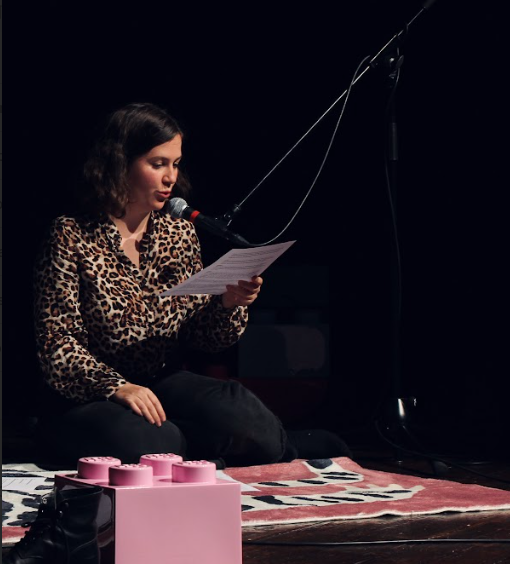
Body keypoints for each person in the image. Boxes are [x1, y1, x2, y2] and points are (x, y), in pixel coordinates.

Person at [33, 102, 352, 468]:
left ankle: (212, 447)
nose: (170, 177)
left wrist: (228, 304)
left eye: (176, 164)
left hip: (161, 382)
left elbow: (204, 337)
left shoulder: (179, 232)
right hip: (91, 393)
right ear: (120, 164)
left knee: (241, 414)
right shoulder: (71, 234)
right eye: (158, 164)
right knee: (142, 439)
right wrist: (116, 386)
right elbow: (57, 344)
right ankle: (198, 449)